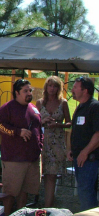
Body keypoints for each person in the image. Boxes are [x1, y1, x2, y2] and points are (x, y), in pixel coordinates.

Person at [0, 79, 43, 216]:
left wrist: (40, 144)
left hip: (32, 158)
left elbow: (39, 128)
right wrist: (17, 131)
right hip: (14, 159)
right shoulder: (8, 108)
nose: (29, 93)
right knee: (11, 191)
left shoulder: (33, 108)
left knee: (25, 191)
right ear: (17, 93)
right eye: (25, 91)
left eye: (30, 90)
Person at [36, 76, 71, 207]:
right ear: (46, 87)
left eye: (55, 86)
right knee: (39, 173)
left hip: (57, 142)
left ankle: (48, 206)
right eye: (50, 86)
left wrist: (58, 124)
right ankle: (36, 200)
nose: (52, 89)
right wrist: (42, 121)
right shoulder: (40, 102)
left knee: (51, 175)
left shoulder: (63, 103)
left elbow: (69, 122)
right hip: (42, 142)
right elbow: (32, 121)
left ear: (59, 88)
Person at [68, 77, 99, 211]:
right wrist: (71, 149)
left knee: (86, 192)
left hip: (89, 159)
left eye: (75, 87)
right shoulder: (80, 107)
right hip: (79, 157)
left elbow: (98, 134)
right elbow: (76, 130)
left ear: (85, 90)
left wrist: (85, 152)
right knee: (83, 191)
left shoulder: (95, 107)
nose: (72, 90)